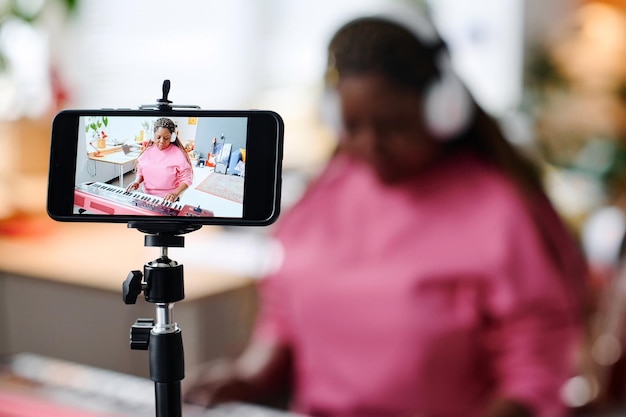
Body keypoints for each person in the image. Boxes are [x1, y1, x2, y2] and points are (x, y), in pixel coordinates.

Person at [183, 9, 588, 417]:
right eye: (353, 125)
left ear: (441, 109)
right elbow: (283, 312)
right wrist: (249, 374)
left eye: (393, 126)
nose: (370, 145)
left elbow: (537, 367)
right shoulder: (329, 188)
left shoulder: (501, 210)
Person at [126, 117, 193, 202]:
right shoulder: (148, 151)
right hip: (145, 195)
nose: (161, 141)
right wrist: (137, 181)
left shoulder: (179, 154)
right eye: (158, 137)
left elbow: (186, 180)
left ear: (172, 137)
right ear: (152, 136)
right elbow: (141, 171)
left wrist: (175, 193)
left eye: (166, 138)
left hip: (168, 199)